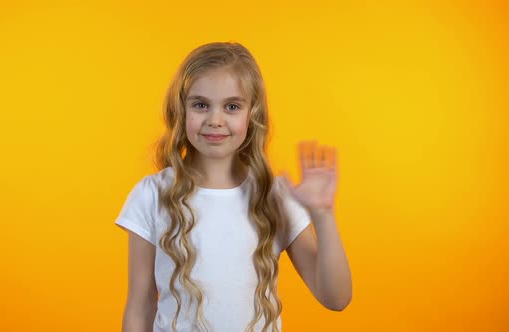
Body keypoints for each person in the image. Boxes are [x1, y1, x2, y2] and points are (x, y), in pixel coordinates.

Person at [115, 41, 352, 332]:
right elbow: (140, 306)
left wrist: (322, 215)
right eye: (201, 105)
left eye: (232, 106)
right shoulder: (151, 195)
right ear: (181, 109)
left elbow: (336, 298)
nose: (215, 120)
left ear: (252, 115)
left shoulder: (274, 197)